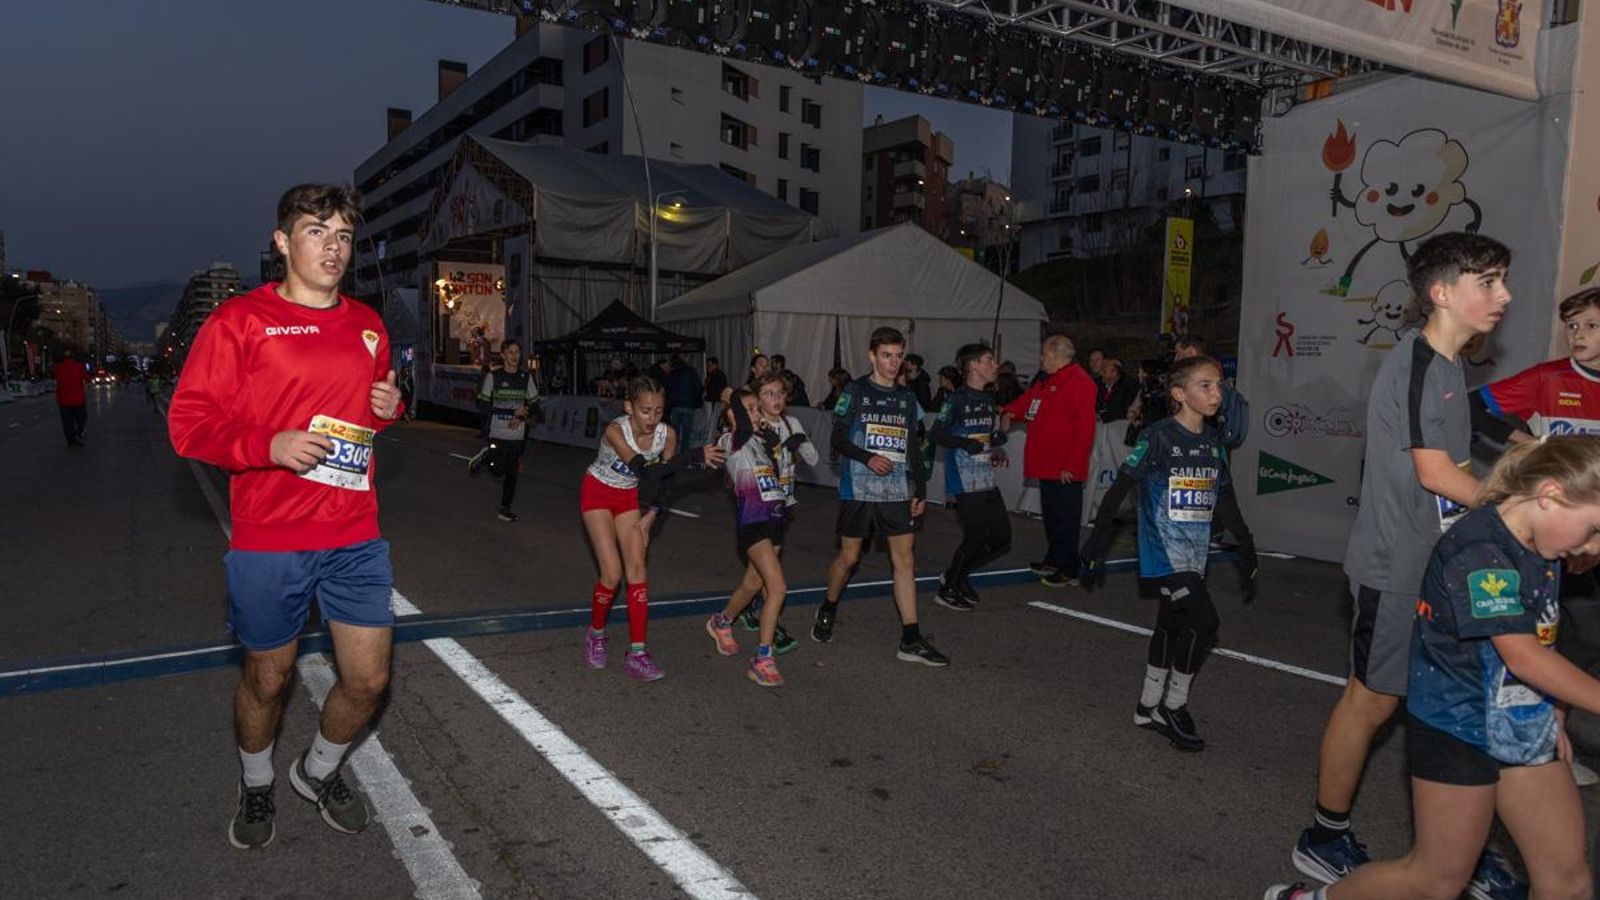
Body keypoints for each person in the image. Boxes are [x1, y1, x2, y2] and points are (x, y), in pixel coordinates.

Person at [167, 183, 403, 850]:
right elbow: (189, 424)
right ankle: (258, 780)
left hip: (355, 532)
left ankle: (316, 771)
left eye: (342, 236)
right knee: (268, 679)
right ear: (281, 242)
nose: (331, 247)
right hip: (271, 537)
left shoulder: (367, 324)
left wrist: (390, 407)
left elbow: (375, 411)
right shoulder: (239, 322)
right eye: (314, 231)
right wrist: (266, 446)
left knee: (369, 679)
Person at [1267, 437, 1600, 900]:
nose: (1592, 547)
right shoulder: (1481, 549)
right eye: (1592, 530)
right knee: (1435, 880)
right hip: (1459, 729)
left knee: (1570, 883)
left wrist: (1557, 708)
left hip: (1524, 725)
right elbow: (1522, 655)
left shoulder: (1544, 542)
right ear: (1549, 495)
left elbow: (1545, 631)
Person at [1291, 233, 1522, 897]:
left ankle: (1459, 853)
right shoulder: (1420, 360)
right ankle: (1324, 835)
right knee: (1374, 700)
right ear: (1441, 292)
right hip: (1395, 566)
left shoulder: (1450, 367)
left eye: (1504, 280)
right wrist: (1521, 509)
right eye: (1489, 281)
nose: (1503, 295)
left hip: (1438, 567)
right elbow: (1437, 473)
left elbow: (1465, 451)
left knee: (1452, 706)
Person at [1080, 355, 1257, 751]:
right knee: (1205, 624)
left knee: (1171, 625)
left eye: (1219, 385)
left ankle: (1147, 706)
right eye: (1205, 386)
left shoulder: (1214, 441)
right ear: (1179, 394)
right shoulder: (1158, 436)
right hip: (1165, 554)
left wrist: (1246, 544)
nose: (1217, 393)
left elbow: (1224, 497)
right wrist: (1096, 543)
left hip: (1195, 553)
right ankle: (1173, 705)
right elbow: (1120, 489)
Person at [1474, 287, 1600, 786]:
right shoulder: (1550, 378)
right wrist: (1533, 447)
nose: (1578, 335)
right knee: (1576, 635)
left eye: (1590, 325)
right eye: (1572, 326)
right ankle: (1552, 738)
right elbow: (1474, 408)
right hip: (1563, 536)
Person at [810, 326, 947, 666]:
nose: (893, 363)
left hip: (897, 491)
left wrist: (922, 488)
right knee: (849, 559)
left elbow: (914, 444)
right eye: (887, 355)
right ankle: (828, 604)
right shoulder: (855, 391)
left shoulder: (906, 398)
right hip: (858, 489)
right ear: (872, 355)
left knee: (905, 561)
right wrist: (868, 457)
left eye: (898, 356)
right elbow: (838, 439)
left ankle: (911, 637)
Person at [580, 376, 724, 682]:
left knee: (638, 572)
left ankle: (638, 653)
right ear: (629, 406)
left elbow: (665, 481)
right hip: (598, 492)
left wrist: (652, 514)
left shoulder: (667, 435)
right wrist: (694, 455)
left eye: (659, 411)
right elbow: (645, 471)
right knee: (612, 574)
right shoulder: (615, 430)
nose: (652, 418)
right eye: (645, 411)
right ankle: (595, 634)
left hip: (628, 497)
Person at [705, 377, 813, 684]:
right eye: (750, 409)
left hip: (774, 521)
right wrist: (733, 396)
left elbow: (775, 479)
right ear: (734, 416)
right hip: (752, 524)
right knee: (777, 588)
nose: (755, 413)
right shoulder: (733, 440)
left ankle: (721, 621)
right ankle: (762, 659)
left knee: (753, 583)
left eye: (756, 409)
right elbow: (737, 409)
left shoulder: (763, 442)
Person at [999, 335, 1099, 587]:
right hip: (1047, 463)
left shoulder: (1080, 382)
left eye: (1043, 354)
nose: (1041, 358)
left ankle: (1069, 568)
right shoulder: (1048, 381)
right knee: (1053, 516)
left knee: (1066, 518)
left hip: (1064, 466)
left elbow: (1085, 429)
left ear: (1055, 355)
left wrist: (1072, 464)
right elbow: (1028, 404)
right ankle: (1054, 559)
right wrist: (1009, 411)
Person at [928, 344, 1011, 611]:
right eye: (990, 360)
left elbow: (985, 437)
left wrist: (998, 439)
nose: (995, 365)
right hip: (964, 480)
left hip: (985, 478)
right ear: (974, 366)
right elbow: (936, 434)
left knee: (1001, 538)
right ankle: (948, 588)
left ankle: (956, 574)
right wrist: (963, 443)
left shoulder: (988, 400)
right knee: (975, 538)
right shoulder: (956, 399)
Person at [477, 339, 539, 522]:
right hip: (496, 432)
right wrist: (511, 411)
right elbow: (482, 405)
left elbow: (536, 406)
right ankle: (486, 457)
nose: (514, 356)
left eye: (517, 352)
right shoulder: (493, 377)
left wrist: (521, 416)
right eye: (510, 352)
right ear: (503, 355)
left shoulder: (525, 378)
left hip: (517, 435)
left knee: (512, 472)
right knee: (498, 471)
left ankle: (505, 509)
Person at [1174, 335, 1250, 450]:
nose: (1176, 358)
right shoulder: (1213, 367)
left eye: (1178, 353)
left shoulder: (1202, 373)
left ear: (1191, 351)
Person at [661, 353, 703, 445]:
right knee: (686, 435)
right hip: (689, 406)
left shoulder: (671, 374)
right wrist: (696, 402)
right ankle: (684, 455)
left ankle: (673, 454)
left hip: (674, 406)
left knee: (674, 434)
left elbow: (665, 389)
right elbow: (698, 387)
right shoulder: (691, 371)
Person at [52, 349, 89, 447]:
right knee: (81, 418)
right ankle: (78, 433)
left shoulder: (58, 368)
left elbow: (55, 377)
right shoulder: (79, 367)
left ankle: (70, 438)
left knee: (67, 421)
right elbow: (86, 379)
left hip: (63, 399)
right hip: (78, 399)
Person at [1097, 359, 1139, 425]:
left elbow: (1124, 408)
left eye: (1104, 371)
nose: (1102, 374)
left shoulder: (1129, 385)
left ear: (1116, 372)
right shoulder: (1098, 384)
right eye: (1103, 371)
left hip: (1121, 424)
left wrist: (1103, 416)